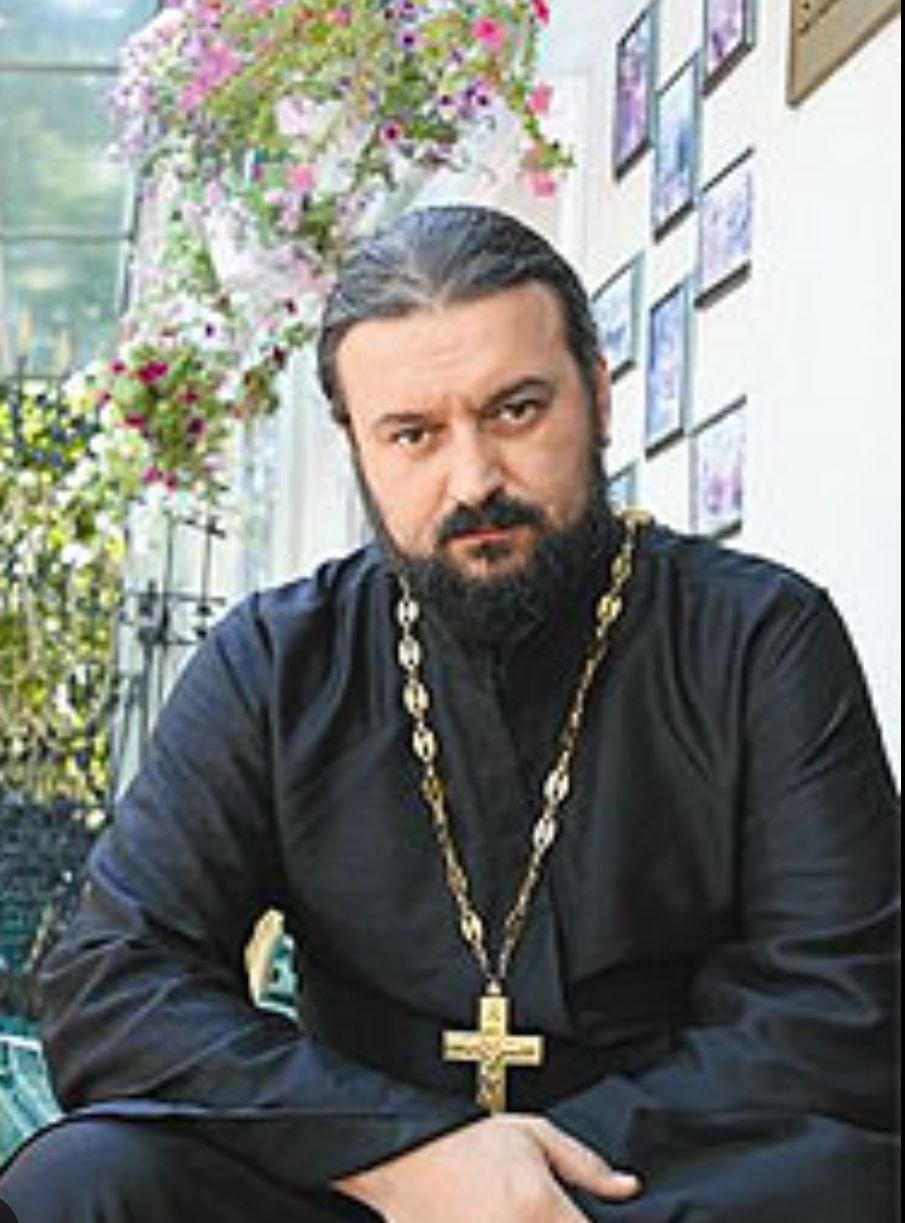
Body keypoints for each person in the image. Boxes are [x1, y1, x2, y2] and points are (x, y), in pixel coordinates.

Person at [0, 204, 898, 1222]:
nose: (472, 478)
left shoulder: (757, 636)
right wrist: (409, 1151)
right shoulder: (274, 663)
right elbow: (116, 982)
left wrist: (528, 1175)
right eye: (413, 434)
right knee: (85, 1181)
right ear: (358, 446)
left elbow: (837, 1006)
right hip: (372, 1187)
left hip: (655, 1179)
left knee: (845, 1187)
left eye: (515, 410)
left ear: (598, 396)